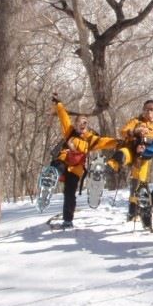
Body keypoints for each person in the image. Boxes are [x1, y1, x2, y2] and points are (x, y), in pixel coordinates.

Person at [48, 97, 118, 228]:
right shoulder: (70, 133)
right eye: (79, 122)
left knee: (69, 193)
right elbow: (64, 118)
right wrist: (59, 105)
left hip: (76, 169)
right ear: (75, 124)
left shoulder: (91, 139)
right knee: (58, 164)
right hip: (63, 161)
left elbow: (105, 142)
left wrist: (118, 142)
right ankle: (50, 177)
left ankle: (68, 220)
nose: (82, 125)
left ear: (88, 125)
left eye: (85, 122)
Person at [106, 100, 153, 224]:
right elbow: (124, 131)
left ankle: (133, 211)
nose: (149, 111)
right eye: (146, 109)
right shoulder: (136, 121)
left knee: (138, 183)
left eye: (152, 109)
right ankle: (109, 168)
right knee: (122, 154)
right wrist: (135, 131)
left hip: (144, 157)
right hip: (132, 149)